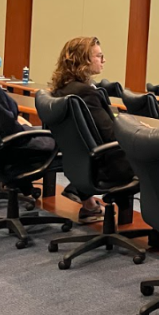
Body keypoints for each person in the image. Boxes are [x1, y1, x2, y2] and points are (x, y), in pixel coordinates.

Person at [50, 36, 134, 223]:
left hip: (80, 164)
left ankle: (85, 199)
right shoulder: (86, 93)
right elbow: (111, 134)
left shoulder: (62, 90)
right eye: (99, 56)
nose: (104, 61)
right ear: (83, 60)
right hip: (109, 165)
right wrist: (135, 130)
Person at [0, 38, 58, 190]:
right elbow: (10, 131)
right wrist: (21, 124)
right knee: (60, 139)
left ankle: (23, 186)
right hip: (7, 150)